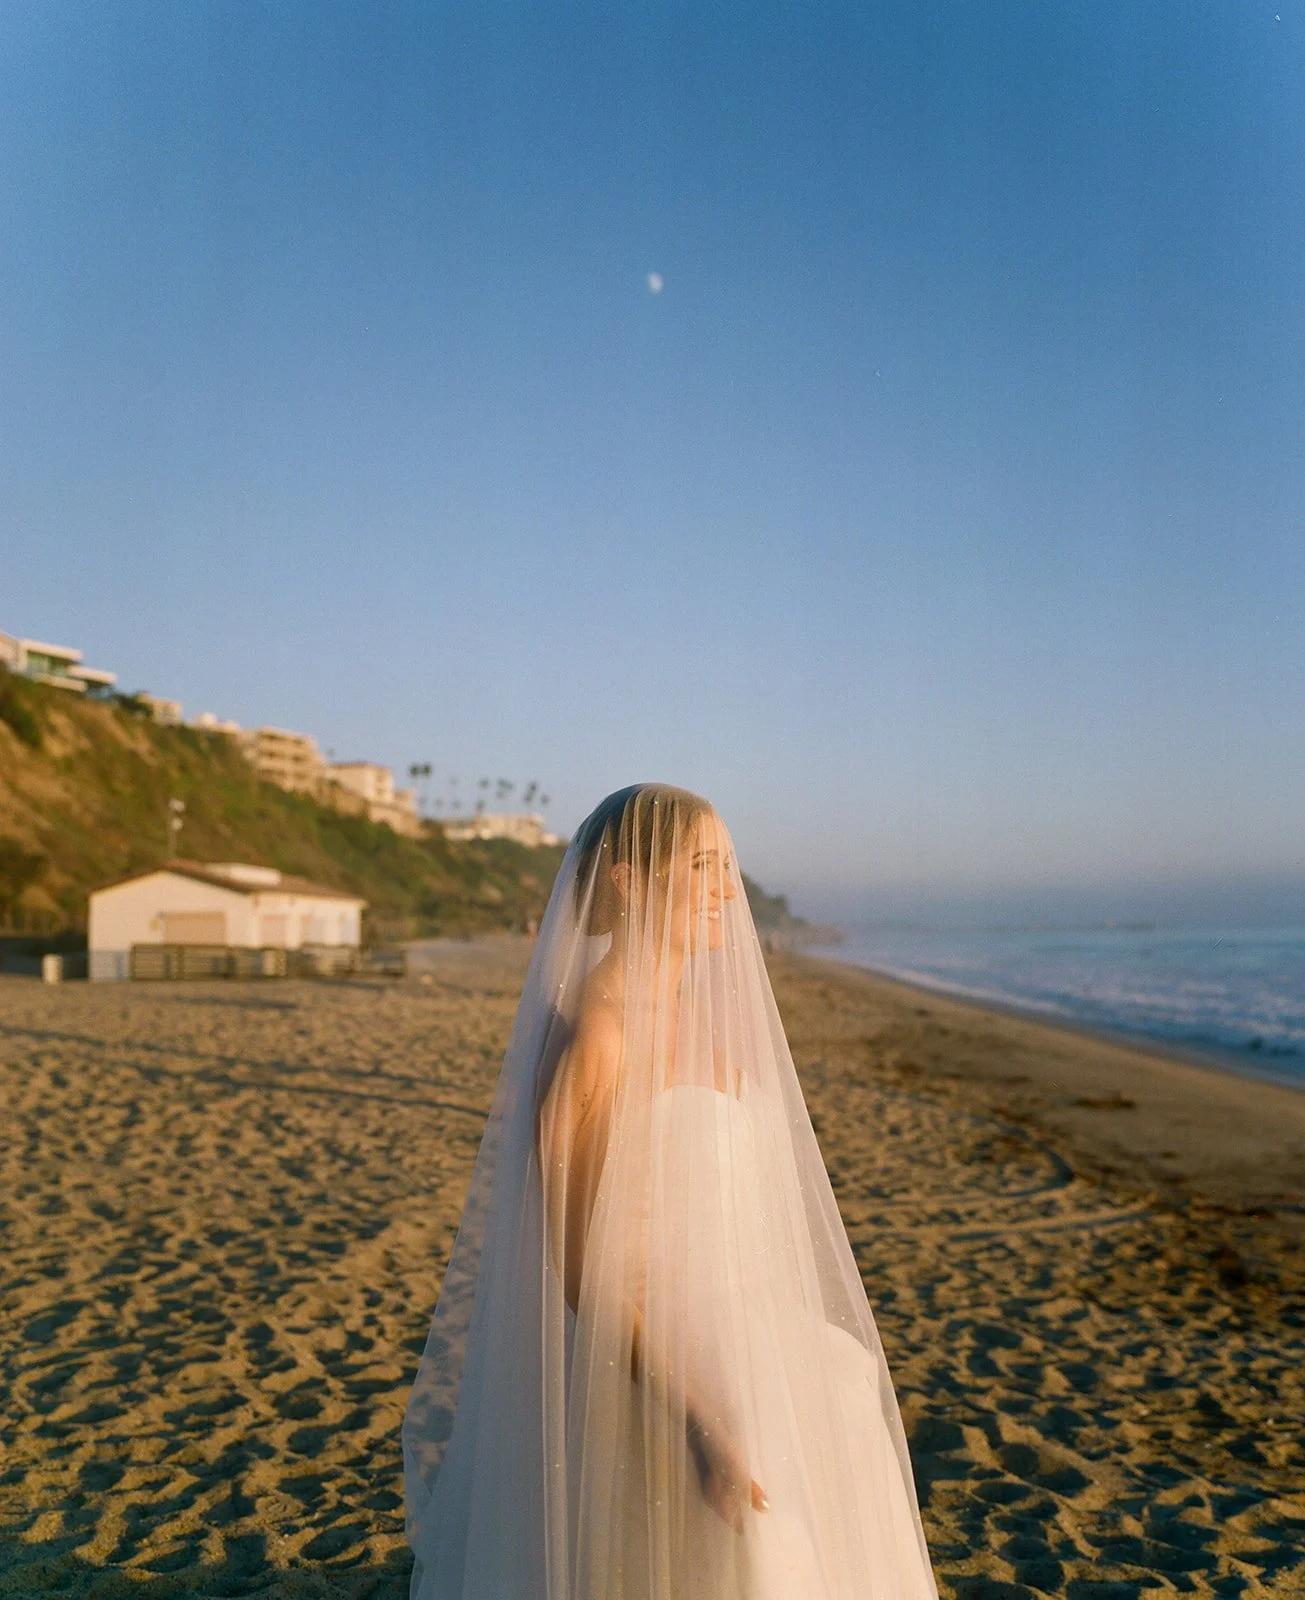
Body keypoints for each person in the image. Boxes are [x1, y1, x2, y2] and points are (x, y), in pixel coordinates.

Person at [403, 785, 938, 1600]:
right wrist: (698, 1423)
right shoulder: (597, 1036)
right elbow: (582, 1273)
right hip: (659, 1369)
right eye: (703, 866)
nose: (729, 890)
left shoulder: (703, 1016)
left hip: (760, 1336)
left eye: (729, 866)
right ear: (626, 879)